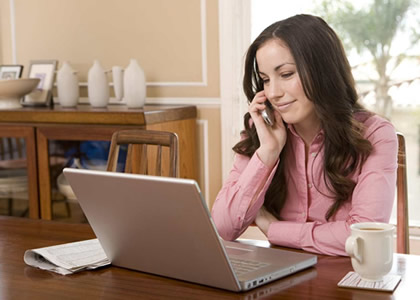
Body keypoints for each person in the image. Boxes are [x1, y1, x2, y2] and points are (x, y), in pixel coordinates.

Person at [211, 14, 398, 256]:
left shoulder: (376, 134)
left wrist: (273, 228)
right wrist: (268, 152)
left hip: (344, 282)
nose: (274, 92)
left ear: (323, 71)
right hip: (280, 279)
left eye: (286, 74)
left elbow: (363, 236)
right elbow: (223, 228)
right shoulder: (261, 132)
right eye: (266, 80)